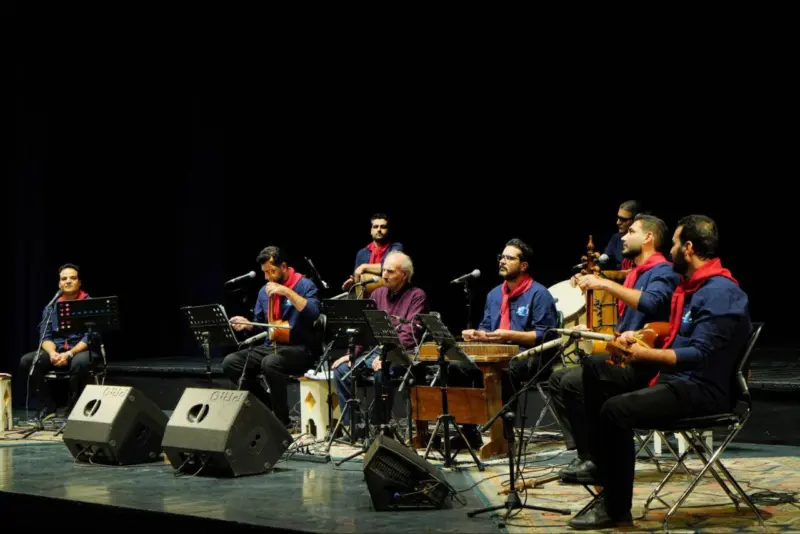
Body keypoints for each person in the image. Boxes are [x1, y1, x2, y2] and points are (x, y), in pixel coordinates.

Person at [567, 215, 752, 530]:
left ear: (688, 248)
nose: (672, 250)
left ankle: (615, 507)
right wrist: (640, 337)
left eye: (676, 244)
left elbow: (700, 355)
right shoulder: (694, 286)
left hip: (704, 390)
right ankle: (601, 467)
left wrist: (645, 355)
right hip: (680, 381)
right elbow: (679, 333)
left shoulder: (720, 292)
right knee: (596, 369)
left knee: (615, 410)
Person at [550, 214, 680, 484]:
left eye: (631, 231)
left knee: (575, 380)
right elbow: (625, 320)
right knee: (558, 378)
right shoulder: (635, 274)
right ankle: (586, 453)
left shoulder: (663, 271)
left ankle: (597, 459)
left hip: (647, 363)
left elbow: (653, 303)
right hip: (625, 358)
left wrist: (604, 283)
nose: (623, 237)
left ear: (648, 237)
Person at [223, 246, 322, 429]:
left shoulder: (304, 285)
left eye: (271, 271)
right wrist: (248, 325)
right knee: (231, 362)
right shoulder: (264, 292)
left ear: (283, 266)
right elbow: (260, 325)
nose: (267, 277)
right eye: (264, 272)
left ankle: (282, 422)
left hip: (300, 348)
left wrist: (287, 292)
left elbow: (314, 313)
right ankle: (268, 407)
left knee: (270, 362)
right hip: (272, 346)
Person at [332, 251, 428, 433]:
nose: (384, 275)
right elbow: (366, 329)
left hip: (403, 354)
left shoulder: (417, 295)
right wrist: (351, 354)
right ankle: (355, 427)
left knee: (382, 372)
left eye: (390, 271)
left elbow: (410, 334)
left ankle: (379, 428)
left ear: (404, 275)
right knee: (341, 370)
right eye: (384, 270)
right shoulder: (377, 294)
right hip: (376, 351)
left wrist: (387, 355)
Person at [462, 238, 560, 397]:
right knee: (461, 366)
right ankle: (470, 412)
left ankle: (507, 412)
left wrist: (509, 335)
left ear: (523, 266)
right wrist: (478, 334)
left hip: (529, 354)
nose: (502, 261)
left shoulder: (539, 294)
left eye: (509, 258)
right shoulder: (494, 294)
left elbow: (546, 335)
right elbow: (486, 327)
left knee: (508, 366)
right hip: (497, 351)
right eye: (501, 257)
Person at [19, 263, 99, 416]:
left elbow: (91, 336)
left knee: (80, 362)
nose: (68, 281)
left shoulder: (89, 303)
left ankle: (74, 406)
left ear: (79, 282)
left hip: (81, 350)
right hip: (57, 350)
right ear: (59, 284)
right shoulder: (51, 306)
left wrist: (69, 353)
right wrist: (52, 353)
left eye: (72, 278)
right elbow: (45, 336)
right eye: (64, 279)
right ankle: (48, 405)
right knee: (28, 361)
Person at [342, 213, 403, 292]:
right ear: (371, 231)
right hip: (368, 295)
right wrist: (352, 281)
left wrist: (364, 267)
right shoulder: (362, 253)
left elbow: (389, 268)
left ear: (388, 230)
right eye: (375, 226)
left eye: (383, 227)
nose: (379, 229)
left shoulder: (396, 247)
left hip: (391, 293)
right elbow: (357, 275)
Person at [602, 200, 641, 270]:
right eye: (618, 218)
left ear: (636, 220)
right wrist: (596, 261)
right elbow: (605, 257)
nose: (618, 222)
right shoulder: (616, 238)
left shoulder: (642, 242)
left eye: (623, 219)